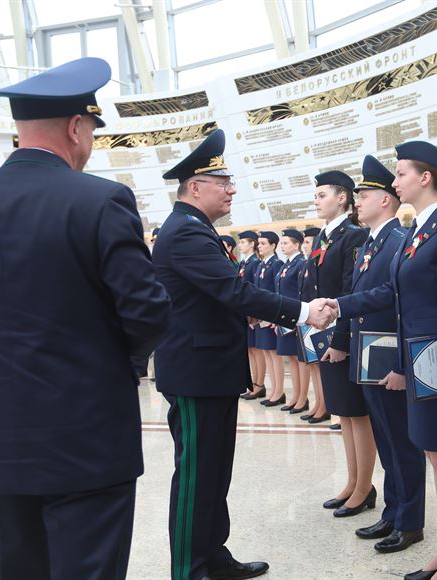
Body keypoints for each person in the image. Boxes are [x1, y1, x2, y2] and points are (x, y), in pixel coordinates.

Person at [0, 57, 171, 578]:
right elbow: (147, 310)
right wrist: (110, 362)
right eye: (91, 131)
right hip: (88, 437)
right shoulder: (101, 199)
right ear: (75, 127)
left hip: (1, 438)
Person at [152, 128, 334, 580]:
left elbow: (219, 295)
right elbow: (233, 290)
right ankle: (188, 568)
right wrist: (303, 312)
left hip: (210, 369)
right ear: (196, 188)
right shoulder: (185, 232)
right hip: (196, 373)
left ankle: (213, 554)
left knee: (215, 472)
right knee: (196, 476)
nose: (232, 190)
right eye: (223, 183)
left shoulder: (195, 229)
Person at [324, 141, 437, 579]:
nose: (395, 181)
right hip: (416, 362)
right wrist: (340, 305)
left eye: (401, 172)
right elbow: (392, 293)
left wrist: (436, 373)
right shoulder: (418, 232)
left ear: (425, 178)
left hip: (432, 367)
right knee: (433, 459)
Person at [348, 155, 427, 548]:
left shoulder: (397, 241)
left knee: (402, 444)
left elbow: (402, 306)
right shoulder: (372, 242)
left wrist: (400, 365)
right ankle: (392, 512)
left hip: (388, 358)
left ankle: (409, 522)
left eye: (363, 195)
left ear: (384, 200)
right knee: (386, 441)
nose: (357, 201)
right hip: (370, 357)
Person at [305, 171, 379, 515]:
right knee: (343, 413)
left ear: (342, 198)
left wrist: (341, 339)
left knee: (356, 413)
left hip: (342, 336)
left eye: (322, 195)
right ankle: (352, 481)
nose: (317, 201)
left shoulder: (354, 236)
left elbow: (351, 291)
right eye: (316, 195)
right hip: (323, 334)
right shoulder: (324, 236)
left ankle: (364, 486)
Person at [274, 229, 308, 413]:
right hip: (285, 318)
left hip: (296, 318)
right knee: (291, 358)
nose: (282, 246)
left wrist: (298, 318)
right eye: (282, 243)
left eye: (286, 242)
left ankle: (303, 397)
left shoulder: (300, 263)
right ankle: (295, 395)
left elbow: (300, 293)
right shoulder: (286, 264)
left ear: (296, 245)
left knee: (300, 359)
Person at [253, 231, 286, 407]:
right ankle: (273, 390)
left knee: (274, 353)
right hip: (261, 316)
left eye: (263, 243)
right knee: (266, 352)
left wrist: (275, 316)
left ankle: (279, 391)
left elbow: (276, 292)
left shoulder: (276, 264)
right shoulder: (261, 264)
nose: (259, 246)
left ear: (273, 246)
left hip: (270, 316)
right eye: (258, 243)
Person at [298, 226, 328, 422]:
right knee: (314, 366)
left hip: (319, 320)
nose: (305, 245)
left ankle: (325, 405)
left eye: (308, 242)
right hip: (308, 321)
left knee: (320, 365)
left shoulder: (318, 263)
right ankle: (319, 403)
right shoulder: (308, 263)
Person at [237, 231, 266, 400]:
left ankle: (259, 384)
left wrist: (253, 312)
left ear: (251, 244)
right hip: (244, 312)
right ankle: (254, 383)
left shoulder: (254, 263)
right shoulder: (244, 262)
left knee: (257, 350)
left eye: (243, 242)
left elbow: (254, 289)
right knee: (251, 350)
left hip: (252, 313)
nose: (240, 245)